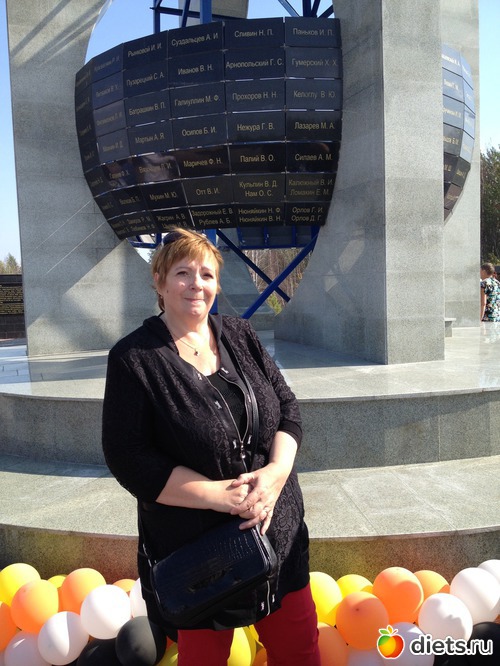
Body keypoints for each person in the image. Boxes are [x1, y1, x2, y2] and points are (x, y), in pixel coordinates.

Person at [102, 228, 320, 666]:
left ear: (217, 284)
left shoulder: (241, 334)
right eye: (182, 273)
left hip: (278, 538)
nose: (196, 284)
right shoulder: (134, 358)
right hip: (200, 555)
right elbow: (129, 457)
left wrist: (276, 475)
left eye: (206, 274)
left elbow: (288, 408)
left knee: (299, 651)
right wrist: (219, 496)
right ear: (160, 281)